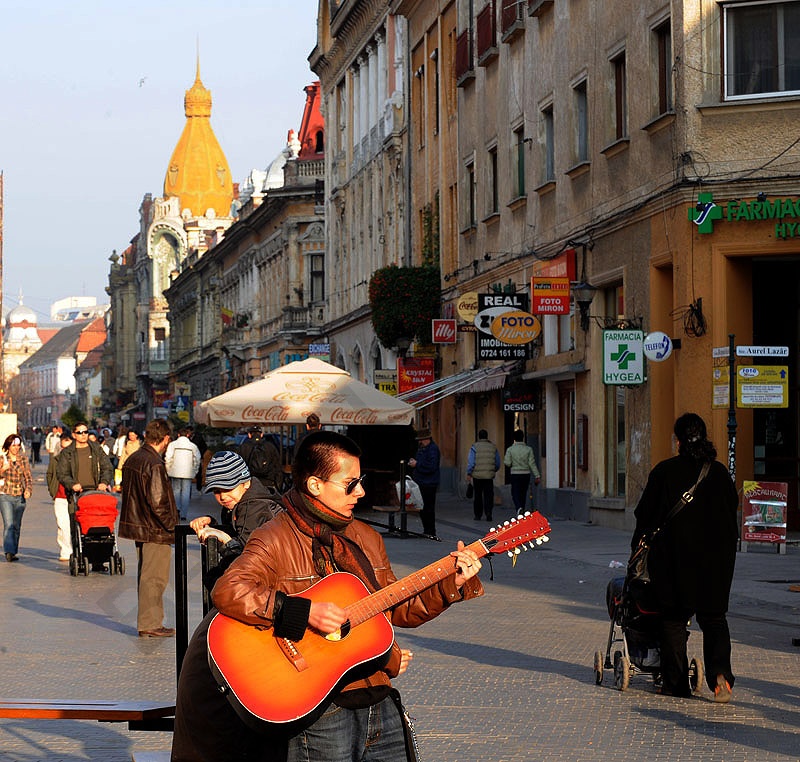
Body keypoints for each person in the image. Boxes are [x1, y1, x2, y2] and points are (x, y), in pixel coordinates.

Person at [172, 430, 484, 762]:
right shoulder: (274, 537)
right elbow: (230, 590)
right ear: (315, 485)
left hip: (377, 697)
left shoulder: (364, 538)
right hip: (319, 711)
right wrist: (303, 612)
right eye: (349, 484)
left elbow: (397, 606)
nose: (360, 491)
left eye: (360, 480)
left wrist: (452, 584)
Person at [632, 412, 738, 703]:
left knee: (674, 620)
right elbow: (732, 517)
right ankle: (720, 678)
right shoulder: (719, 474)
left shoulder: (664, 472)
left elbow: (645, 517)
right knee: (714, 619)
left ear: (677, 440)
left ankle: (676, 683)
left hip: (674, 562)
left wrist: (637, 550)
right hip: (716, 563)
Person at [119, 419, 179, 637]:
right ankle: (150, 623)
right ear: (164, 438)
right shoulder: (153, 463)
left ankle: (150, 621)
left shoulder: (135, 458)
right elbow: (158, 500)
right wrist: (172, 526)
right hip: (155, 529)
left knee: (147, 576)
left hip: (141, 526)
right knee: (155, 577)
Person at [189, 450, 282, 591]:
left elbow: (245, 557)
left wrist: (225, 539)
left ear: (245, 482)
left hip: (271, 585)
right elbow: (237, 531)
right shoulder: (240, 503)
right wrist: (212, 524)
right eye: (217, 491)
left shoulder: (255, 507)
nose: (223, 497)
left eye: (228, 488)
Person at [0, 433, 33, 562]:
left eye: (18, 446)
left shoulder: (23, 459)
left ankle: (13, 551)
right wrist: (2, 470)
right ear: (8, 446)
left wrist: (28, 490)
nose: (16, 448)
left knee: (16, 525)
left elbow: (28, 477)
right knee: (8, 524)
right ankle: (9, 551)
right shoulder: (2, 459)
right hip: (5, 495)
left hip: (19, 495)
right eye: (13, 445)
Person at [407, 427, 441, 540]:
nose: (420, 442)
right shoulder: (423, 449)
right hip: (422, 482)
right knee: (422, 508)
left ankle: (430, 531)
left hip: (429, 483)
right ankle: (427, 530)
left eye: (421, 440)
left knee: (428, 508)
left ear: (427, 439)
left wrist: (417, 464)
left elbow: (431, 467)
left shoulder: (432, 449)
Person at [46, 430, 73, 561]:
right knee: (62, 524)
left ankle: (75, 547)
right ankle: (65, 549)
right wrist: (53, 490)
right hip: (60, 496)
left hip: (74, 497)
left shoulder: (77, 460)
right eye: (64, 443)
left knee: (74, 524)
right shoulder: (55, 460)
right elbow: (49, 475)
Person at [165, 427, 202, 520]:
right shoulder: (192, 446)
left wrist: (168, 469)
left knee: (176, 491)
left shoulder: (172, 445)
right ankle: (184, 514)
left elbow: (168, 457)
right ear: (188, 435)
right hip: (188, 473)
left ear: (178, 435)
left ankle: (176, 509)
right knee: (186, 493)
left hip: (175, 471)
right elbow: (197, 459)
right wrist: (194, 470)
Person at [467, 429, 500, 522]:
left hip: (477, 476)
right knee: (488, 495)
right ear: (487, 436)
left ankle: (478, 515)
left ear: (479, 436)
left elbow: (471, 462)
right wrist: (493, 470)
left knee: (478, 496)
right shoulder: (493, 447)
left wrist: (469, 473)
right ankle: (488, 513)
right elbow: (497, 462)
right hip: (489, 476)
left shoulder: (474, 447)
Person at [504, 430, 541, 513]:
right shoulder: (528, 449)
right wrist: (537, 475)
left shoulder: (510, 449)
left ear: (514, 438)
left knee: (515, 493)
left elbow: (507, 463)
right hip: (526, 474)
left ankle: (518, 508)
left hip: (515, 474)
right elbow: (532, 463)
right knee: (523, 493)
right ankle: (522, 508)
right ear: (523, 437)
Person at [238, 425, 282, 492]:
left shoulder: (243, 447)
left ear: (249, 435)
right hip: (269, 482)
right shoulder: (270, 447)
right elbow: (277, 466)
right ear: (261, 434)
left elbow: (239, 467)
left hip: (250, 483)